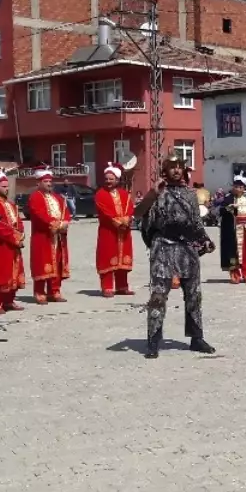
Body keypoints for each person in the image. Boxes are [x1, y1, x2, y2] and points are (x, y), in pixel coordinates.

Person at [138, 152, 216, 357]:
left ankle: (196, 338)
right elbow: (138, 215)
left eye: (179, 166)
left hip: (187, 248)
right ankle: (153, 340)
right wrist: (151, 195)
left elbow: (196, 222)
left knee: (193, 294)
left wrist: (205, 239)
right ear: (165, 170)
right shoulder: (158, 192)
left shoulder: (190, 194)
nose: (176, 170)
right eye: (171, 166)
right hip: (162, 247)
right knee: (158, 295)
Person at [0, 168, 26, 314]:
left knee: (13, 271)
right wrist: (14, 238)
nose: (7, 189)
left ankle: (9, 300)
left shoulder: (10, 203)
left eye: (7, 186)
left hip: (13, 244)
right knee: (0, 271)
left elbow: (18, 221)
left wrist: (21, 234)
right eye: (4, 186)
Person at [26, 168, 71, 304]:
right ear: (39, 183)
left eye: (50, 181)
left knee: (57, 263)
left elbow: (66, 212)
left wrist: (65, 222)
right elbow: (39, 214)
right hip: (43, 236)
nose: (49, 184)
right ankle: (40, 292)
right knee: (42, 263)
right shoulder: (35, 197)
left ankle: (54, 291)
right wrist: (54, 224)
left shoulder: (58, 198)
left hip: (58, 237)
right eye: (45, 181)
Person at [94, 161, 136, 297]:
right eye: (106, 179)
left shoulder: (124, 194)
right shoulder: (100, 194)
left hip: (124, 232)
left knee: (123, 260)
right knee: (108, 258)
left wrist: (127, 218)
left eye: (111, 179)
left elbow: (130, 208)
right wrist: (117, 221)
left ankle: (122, 286)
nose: (108, 181)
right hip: (108, 231)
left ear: (117, 180)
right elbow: (104, 211)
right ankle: (106, 287)